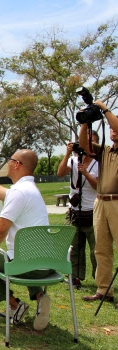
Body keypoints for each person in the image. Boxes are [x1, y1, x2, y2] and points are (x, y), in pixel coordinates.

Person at [0, 149, 52, 331]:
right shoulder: (30, 190)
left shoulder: (19, 193)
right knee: (27, 255)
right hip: (46, 263)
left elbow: (1, 229)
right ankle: (39, 296)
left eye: (9, 160)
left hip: (26, 265)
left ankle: (15, 305)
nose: (7, 163)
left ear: (17, 165)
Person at [79, 101, 118, 306]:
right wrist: (85, 122)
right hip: (101, 202)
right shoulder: (106, 151)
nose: (113, 131)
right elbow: (84, 146)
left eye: (115, 127)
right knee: (101, 249)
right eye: (110, 128)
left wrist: (104, 108)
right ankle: (104, 290)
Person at [56, 133, 99, 288]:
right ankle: (75, 278)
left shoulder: (99, 163)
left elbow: (99, 186)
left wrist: (86, 173)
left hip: (93, 212)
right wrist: (67, 152)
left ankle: (100, 280)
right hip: (75, 212)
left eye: (90, 142)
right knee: (74, 249)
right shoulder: (73, 160)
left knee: (96, 251)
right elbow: (60, 173)